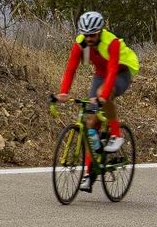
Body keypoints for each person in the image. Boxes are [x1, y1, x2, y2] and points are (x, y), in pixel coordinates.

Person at [56, 10, 139, 157]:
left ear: (100, 32)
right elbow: (71, 68)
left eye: (92, 35)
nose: (89, 38)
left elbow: (112, 70)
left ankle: (116, 134)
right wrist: (63, 91)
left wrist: (103, 96)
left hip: (121, 72)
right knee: (90, 124)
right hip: (101, 74)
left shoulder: (111, 42)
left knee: (103, 94)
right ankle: (89, 172)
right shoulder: (81, 43)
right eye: (86, 34)